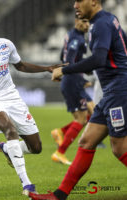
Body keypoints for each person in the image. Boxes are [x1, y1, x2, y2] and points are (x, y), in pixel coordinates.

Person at [29, 0, 127, 199]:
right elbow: (107, 57)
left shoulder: (100, 24)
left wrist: (64, 70)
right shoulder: (107, 20)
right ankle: (59, 195)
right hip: (111, 91)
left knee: (119, 148)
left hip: (119, 90)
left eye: (79, 0)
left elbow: (99, 59)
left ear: (93, 1)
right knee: (86, 142)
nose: (74, 5)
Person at [0, 15, 63, 196]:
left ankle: (7, 148)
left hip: (13, 98)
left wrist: (46, 68)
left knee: (36, 148)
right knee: (9, 130)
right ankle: (27, 184)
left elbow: (20, 66)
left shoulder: (6, 45)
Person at [50, 16, 95, 165]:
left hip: (72, 80)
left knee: (93, 112)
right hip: (73, 81)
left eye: (88, 22)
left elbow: (62, 56)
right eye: (84, 22)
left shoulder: (70, 34)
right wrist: (80, 79)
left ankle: (61, 132)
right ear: (76, 21)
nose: (86, 25)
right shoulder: (78, 39)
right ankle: (59, 152)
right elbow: (69, 60)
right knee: (82, 119)